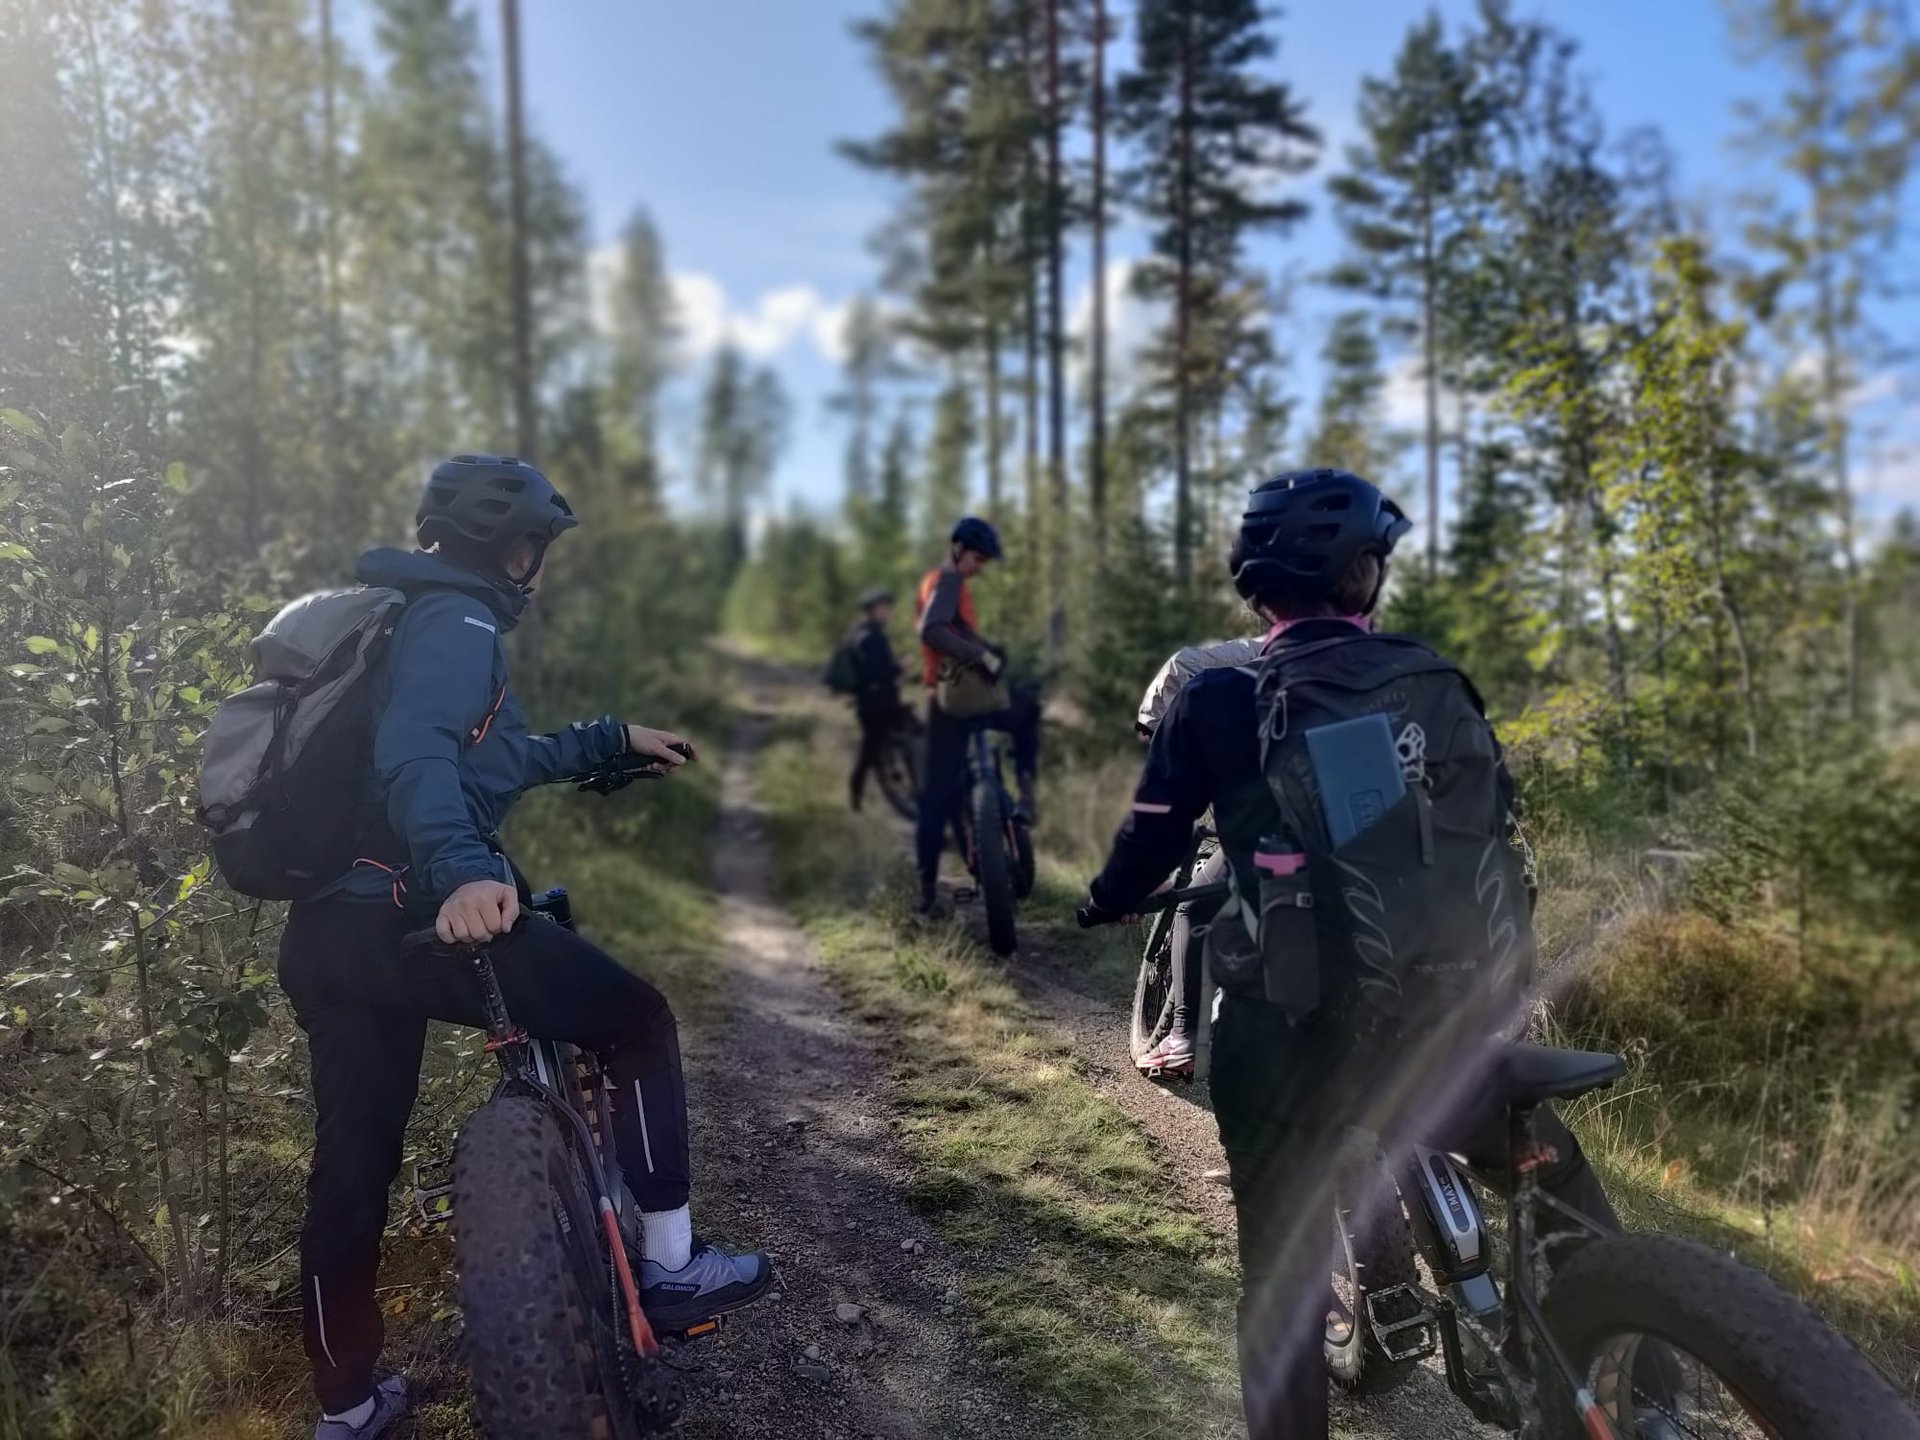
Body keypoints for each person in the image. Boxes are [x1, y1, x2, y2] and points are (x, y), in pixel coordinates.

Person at [1081, 469, 1622, 1440]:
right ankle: (1638, 1372)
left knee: (1280, 1285)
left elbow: (1151, 838)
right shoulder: (1431, 679)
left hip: (1291, 1036)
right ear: (1367, 576)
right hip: (1447, 1017)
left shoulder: (1216, 695)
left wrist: (1105, 902)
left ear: (1255, 589)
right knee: (1557, 1177)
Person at [280, 455, 771, 1440]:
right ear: (513, 549)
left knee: (351, 1167)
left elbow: (498, 758)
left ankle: (347, 1403)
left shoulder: (399, 622)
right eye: (533, 546)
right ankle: (672, 1266)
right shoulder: (458, 620)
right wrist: (465, 870)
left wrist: (611, 739)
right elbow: (418, 752)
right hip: (416, 911)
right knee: (635, 1020)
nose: (533, 566)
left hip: (329, 936)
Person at [1130, 637, 1263, 1079]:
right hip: (1367, 841)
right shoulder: (1381, 664)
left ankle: (1184, 1038)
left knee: (1194, 905)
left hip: (1274, 828)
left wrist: (1152, 724)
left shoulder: (1274, 648)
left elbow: (1183, 665)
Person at [912, 516, 1040, 916]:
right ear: (957, 549)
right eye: (976, 559)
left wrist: (988, 649)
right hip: (956, 698)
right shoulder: (948, 580)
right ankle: (1024, 796)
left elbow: (955, 630)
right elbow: (932, 630)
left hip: (947, 699)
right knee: (1027, 711)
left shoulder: (938, 582)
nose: (978, 568)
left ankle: (927, 894)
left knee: (937, 797)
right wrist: (980, 655)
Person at [844, 587, 910, 811]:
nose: (888, 612)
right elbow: (874, 672)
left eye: (888, 608)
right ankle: (856, 793)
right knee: (869, 749)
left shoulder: (871, 633)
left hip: (882, 701)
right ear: (872, 610)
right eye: (883, 608)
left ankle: (900, 779)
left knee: (904, 734)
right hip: (874, 705)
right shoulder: (868, 637)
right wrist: (898, 668)